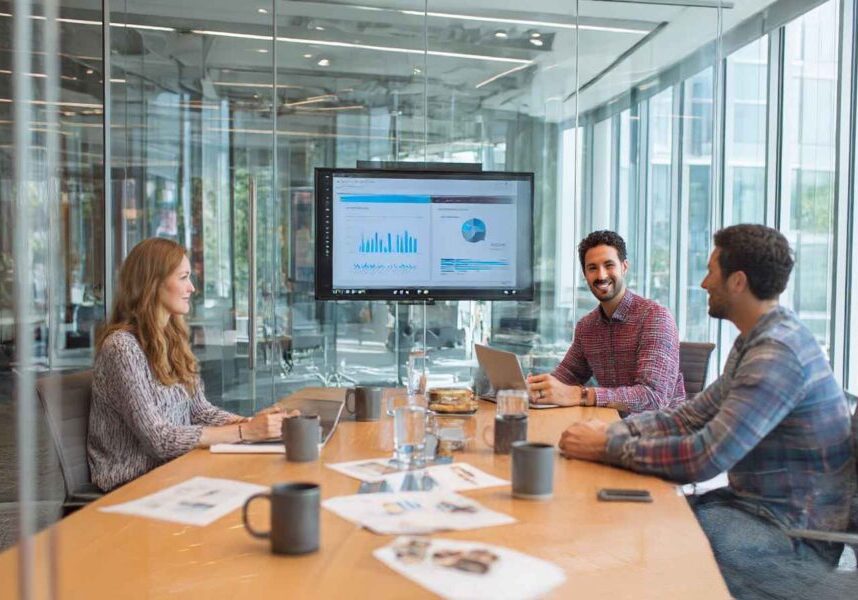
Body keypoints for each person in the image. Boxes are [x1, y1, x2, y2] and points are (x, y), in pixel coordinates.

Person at [558, 224, 856, 598]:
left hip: (790, 534)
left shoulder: (776, 355)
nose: (702, 283)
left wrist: (605, 448)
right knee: (625, 518)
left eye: (711, 271)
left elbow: (704, 456)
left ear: (737, 282)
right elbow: (692, 415)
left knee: (637, 543)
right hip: (749, 509)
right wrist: (612, 434)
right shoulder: (757, 339)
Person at [88, 237, 298, 492]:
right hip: (132, 484)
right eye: (183, 277)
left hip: (174, 471)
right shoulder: (122, 348)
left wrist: (255, 423)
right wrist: (245, 432)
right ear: (152, 284)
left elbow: (200, 411)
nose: (192, 288)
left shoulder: (171, 339)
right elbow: (159, 439)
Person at [527, 230, 685, 413]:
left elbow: (653, 398)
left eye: (609, 265)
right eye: (592, 268)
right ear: (585, 274)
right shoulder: (587, 327)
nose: (601, 275)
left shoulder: (655, 318)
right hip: (611, 425)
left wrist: (582, 395)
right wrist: (535, 387)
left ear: (624, 267)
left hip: (660, 433)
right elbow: (565, 377)